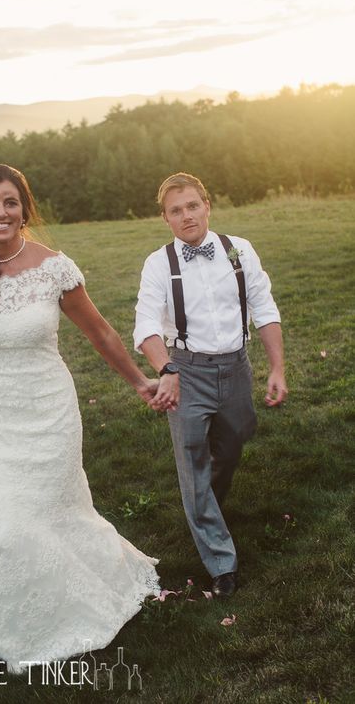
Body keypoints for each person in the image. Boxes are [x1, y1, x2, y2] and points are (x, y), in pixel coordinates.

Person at [0, 163, 161, 674]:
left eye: (10, 201)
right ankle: (9, 621)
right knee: (7, 526)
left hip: (50, 412)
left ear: (24, 208)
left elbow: (100, 332)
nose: (1, 212)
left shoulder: (55, 268)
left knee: (56, 515)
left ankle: (71, 606)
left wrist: (140, 381)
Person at [133, 172, 287, 598]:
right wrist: (166, 369)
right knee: (193, 459)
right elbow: (146, 325)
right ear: (165, 218)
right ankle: (222, 564)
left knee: (234, 441)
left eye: (192, 206)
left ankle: (207, 509)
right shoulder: (158, 263)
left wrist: (277, 368)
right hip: (185, 371)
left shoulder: (239, 250)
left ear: (207, 205)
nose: (187, 216)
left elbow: (264, 306)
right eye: (176, 210)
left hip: (236, 367)